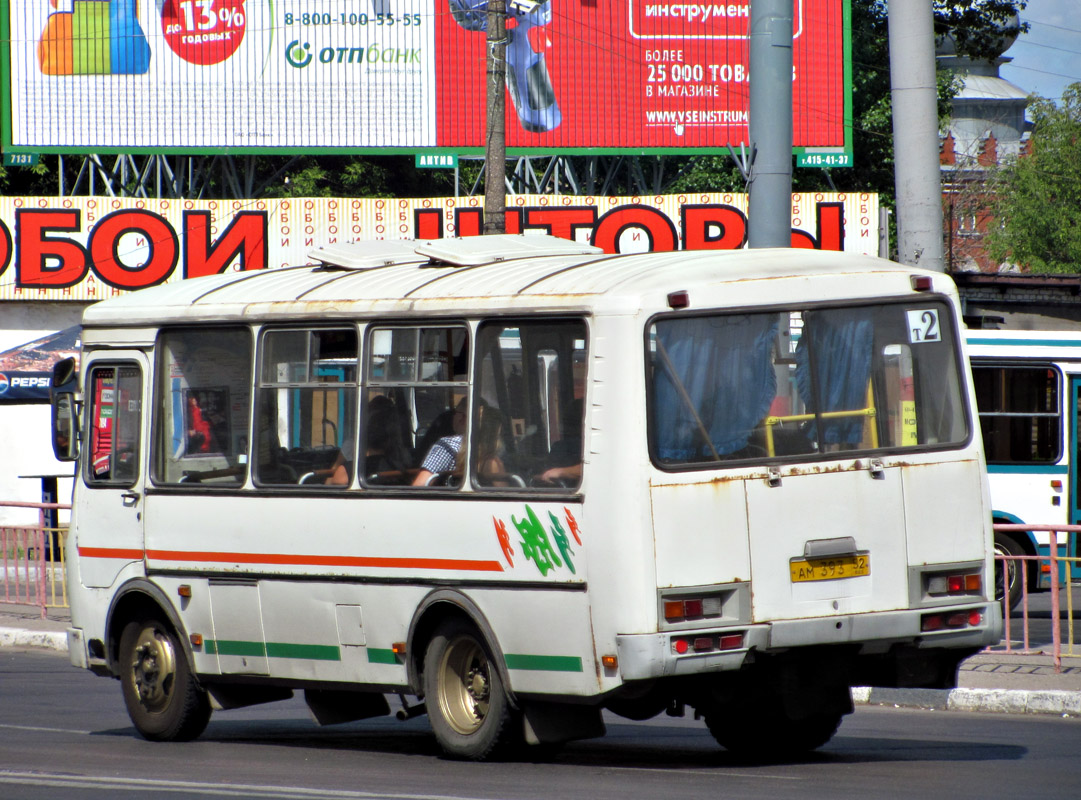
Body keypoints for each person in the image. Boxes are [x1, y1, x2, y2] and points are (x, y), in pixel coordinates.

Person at [412, 399, 468, 486]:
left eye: (455, 412)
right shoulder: (488, 447)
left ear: (462, 417)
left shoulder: (447, 445)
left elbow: (420, 485)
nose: (452, 417)